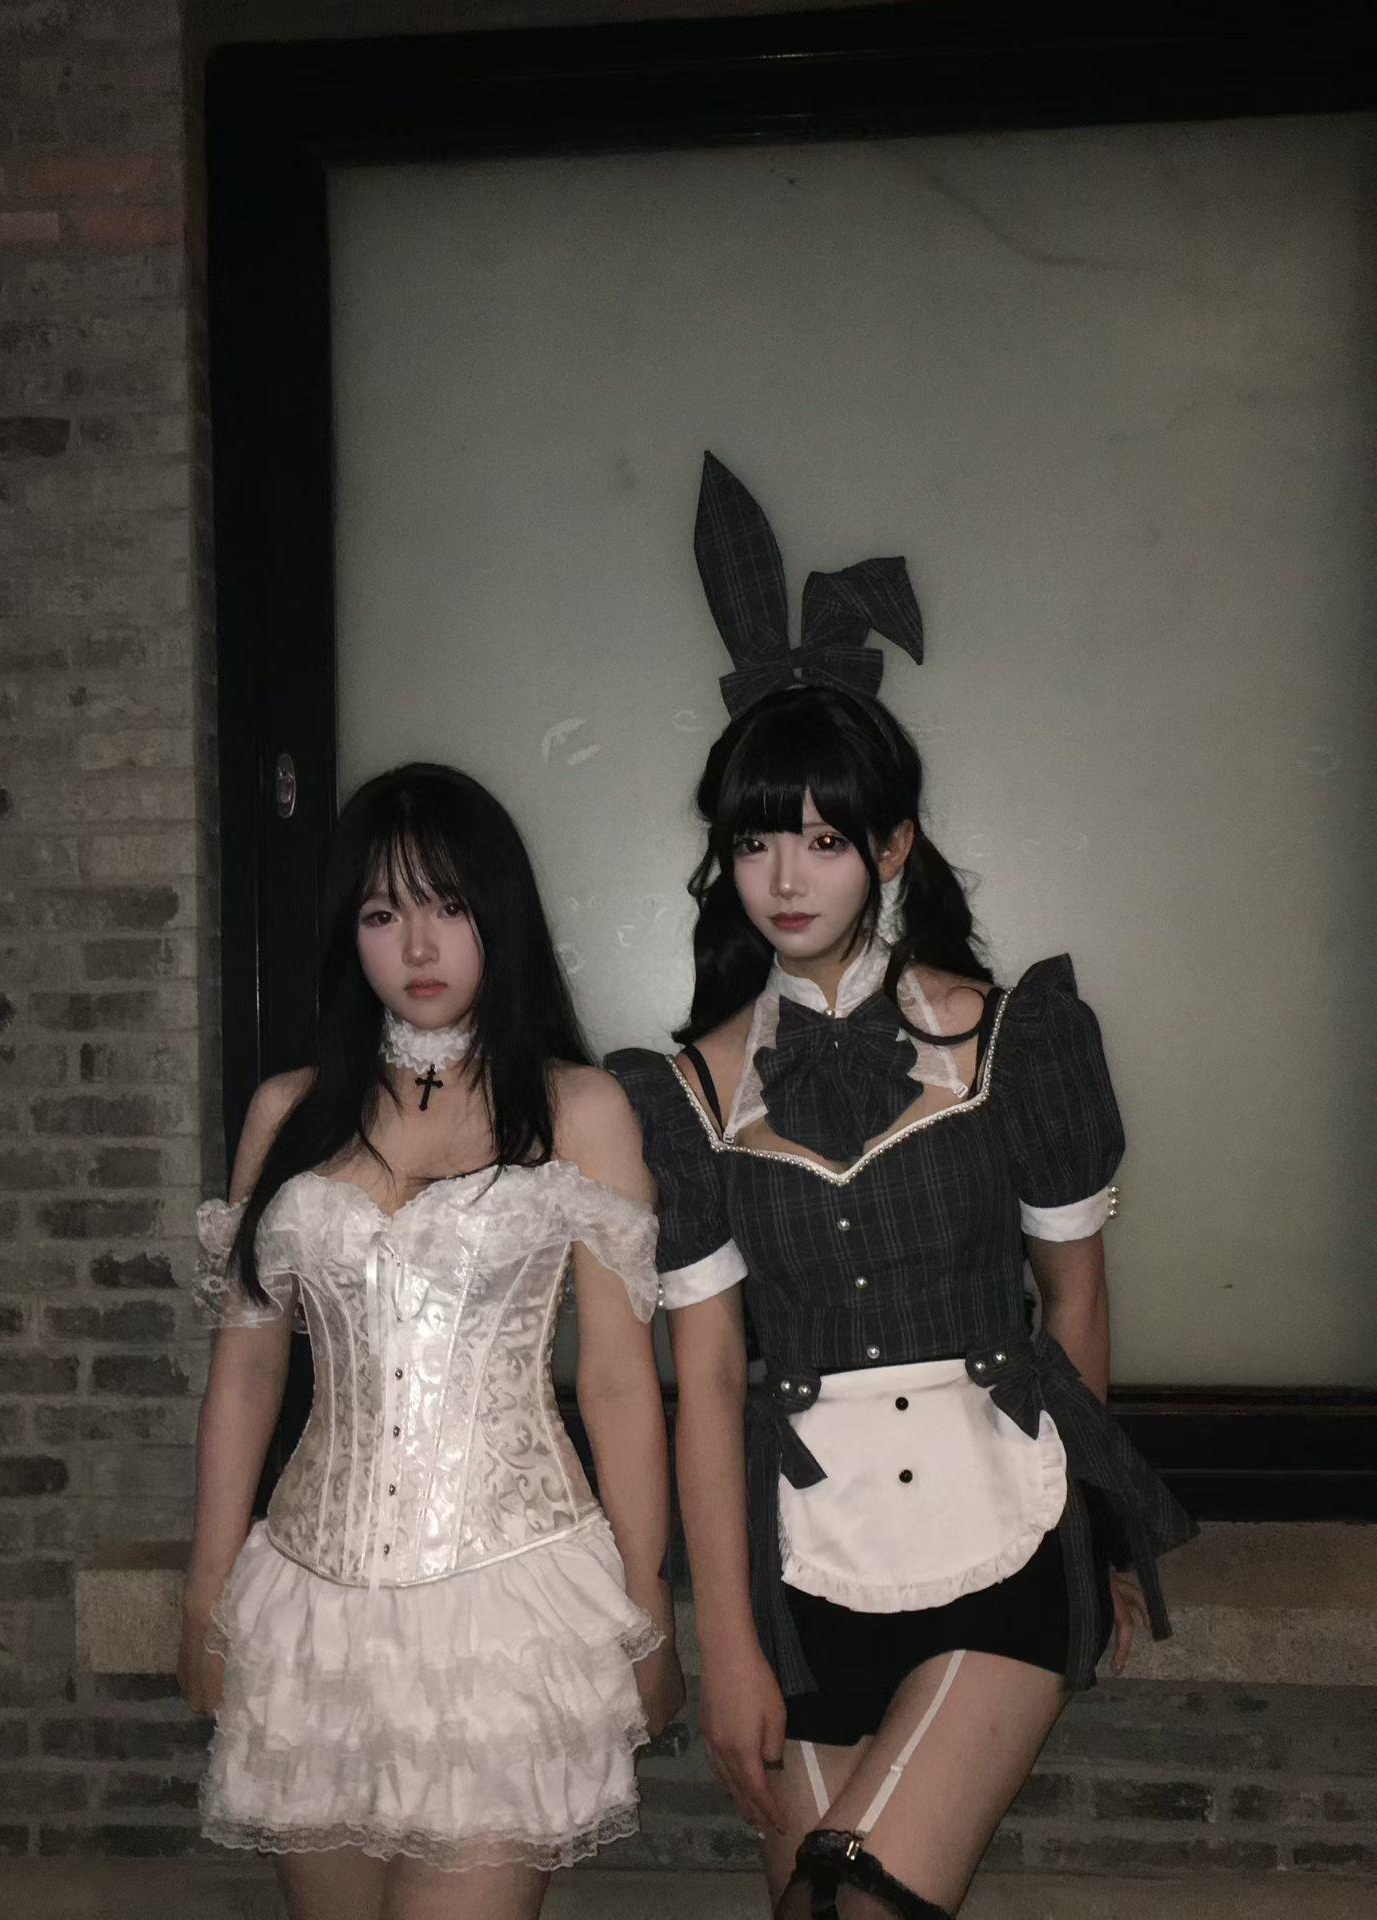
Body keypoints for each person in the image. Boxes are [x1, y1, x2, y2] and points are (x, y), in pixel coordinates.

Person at [607, 457, 1193, 1919]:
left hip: (1009, 1530)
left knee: (860, 1895)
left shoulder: (1014, 1043)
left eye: (823, 838)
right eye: (755, 840)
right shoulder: (685, 1094)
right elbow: (708, 1376)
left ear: (892, 847)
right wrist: (726, 1643)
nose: (784, 876)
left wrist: (1101, 1532)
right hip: (803, 1570)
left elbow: (1073, 1299)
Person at [178, 762, 683, 1920]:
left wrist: (646, 1601)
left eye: (449, 905)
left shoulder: (579, 1109)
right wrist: (206, 1593)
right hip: (311, 1613)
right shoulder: (288, 1112)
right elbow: (247, 1374)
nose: (417, 945)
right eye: (381, 912)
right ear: (346, 934)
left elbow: (617, 1385)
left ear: (499, 914)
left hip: (508, 1605)